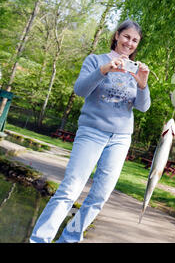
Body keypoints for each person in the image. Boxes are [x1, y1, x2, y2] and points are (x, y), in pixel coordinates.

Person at [30, 20, 151, 243]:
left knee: (99, 196)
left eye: (135, 40)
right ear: (117, 36)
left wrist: (142, 85)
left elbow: (143, 107)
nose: (130, 43)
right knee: (69, 190)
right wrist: (104, 70)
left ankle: (69, 239)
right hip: (92, 132)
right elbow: (80, 90)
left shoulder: (136, 71)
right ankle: (39, 239)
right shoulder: (95, 61)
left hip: (121, 138)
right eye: (126, 37)